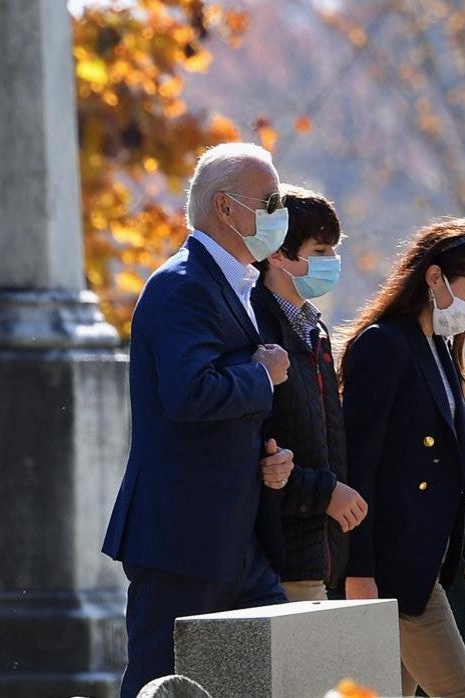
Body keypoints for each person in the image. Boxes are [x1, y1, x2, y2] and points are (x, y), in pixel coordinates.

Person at [101, 142, 296, 698]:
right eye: (270, 200)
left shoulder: (237, 285)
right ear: (226, 208)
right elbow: (187, 394)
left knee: (270, 677)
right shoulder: (181, 285)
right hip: (181, 539)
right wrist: (263, 378)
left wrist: (269, 457)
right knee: (160, 685)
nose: (279, 213)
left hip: (237, 539)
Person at [339, 217, 465, 698]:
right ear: (434, 276)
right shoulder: (383, 345)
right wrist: (358, 572)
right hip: (392, 575)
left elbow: (434, 475)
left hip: (420, 569)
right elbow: (358, 467)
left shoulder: (439, 351)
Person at [250, 185, 367, 602]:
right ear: (278, 255)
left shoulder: (313, 331)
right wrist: (324, 493)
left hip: (321, 557)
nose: (332, 263)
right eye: (320, 251)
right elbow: (259, 456)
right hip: (282, 561)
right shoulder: (257, 331)